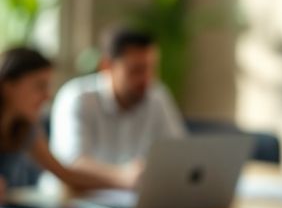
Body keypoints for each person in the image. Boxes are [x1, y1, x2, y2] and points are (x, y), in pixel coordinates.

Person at [50, 28, 185, 178]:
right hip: (70, 199)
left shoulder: (157, 96)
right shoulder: (76, 98)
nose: (146, 79)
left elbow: (178, 154)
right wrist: (124, 177)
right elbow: (71, 164)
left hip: (130, 198)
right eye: (137, 70)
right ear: (107, 66)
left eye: (151, 69)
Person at [1, 47, 134, 197]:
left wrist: (123, 179)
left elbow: (65, 174)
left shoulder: (25, 128)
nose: (47, 96)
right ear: (8, 85)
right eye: (39, 86)